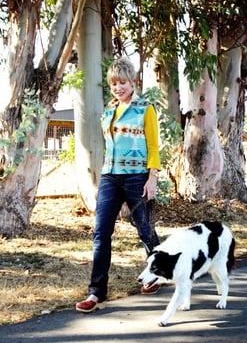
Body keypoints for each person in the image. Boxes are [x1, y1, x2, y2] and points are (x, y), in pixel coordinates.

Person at [75, 57, 161, 313]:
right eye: (114, 84)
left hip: (137, 176)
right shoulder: (109, 111)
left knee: (145, 230)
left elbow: (154, 146)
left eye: (122, 82)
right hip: (110, 176)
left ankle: (156, 273)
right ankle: (95, 293)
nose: (118, 87)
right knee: (101, 233)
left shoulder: (145, 109)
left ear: (132, 82)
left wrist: (152, 177)